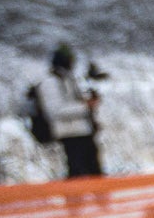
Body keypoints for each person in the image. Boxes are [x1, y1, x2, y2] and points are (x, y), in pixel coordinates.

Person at [33, 44, 103, 179]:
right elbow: (55, 110)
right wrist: (85, 106)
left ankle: (100, 199)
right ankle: (76, 200)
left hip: (83, 130)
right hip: (69, 133)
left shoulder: (68, 79)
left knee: (94, 170)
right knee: (77, 172)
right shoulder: (50, 82)